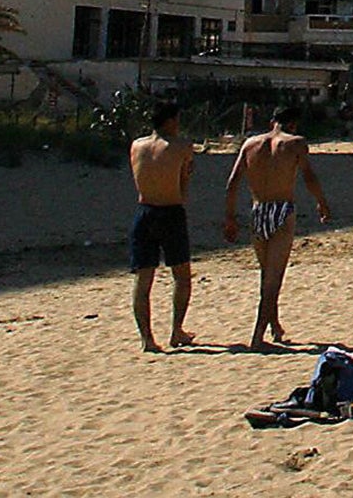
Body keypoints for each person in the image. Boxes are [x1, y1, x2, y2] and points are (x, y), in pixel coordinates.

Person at [222, 106, 331, 350]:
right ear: (293, 124)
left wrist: (229, 217)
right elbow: (309, 177)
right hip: (282, 210)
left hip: (258, 209)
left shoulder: (250, 144)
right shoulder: (295, 143)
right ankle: (258, 335)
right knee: (274, 278)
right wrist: (322, 203)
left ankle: (274, 325)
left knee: (267, 273)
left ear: (273, 121)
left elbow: (232, 184)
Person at [128, 99, 196, 353]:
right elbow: (184, 182)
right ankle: (176, 330)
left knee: (143, 279)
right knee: (181, 276)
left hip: (144, 211)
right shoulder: (181, 146)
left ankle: (147, 338)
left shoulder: (137, 146)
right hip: (170, 212)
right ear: (170, 121)